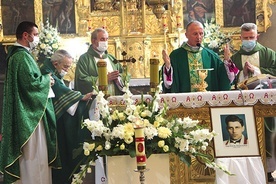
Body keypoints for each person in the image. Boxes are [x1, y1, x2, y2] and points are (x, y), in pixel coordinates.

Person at [0, 21, 59, 183]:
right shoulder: (20, 56)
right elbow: (30, 85)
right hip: (29, 118)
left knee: (36, 156)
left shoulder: (22, 55)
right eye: (36, 34)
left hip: (29, 112)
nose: (37, 38)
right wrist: (47, 80)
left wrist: (44, 79)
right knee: (34, 155)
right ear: (25, 35)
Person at [224, 22, 276, 182]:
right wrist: (242, 74)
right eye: (245, 38)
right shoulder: (235, 58)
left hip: (265, 106)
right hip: (243, 106)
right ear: (240, 38)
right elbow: (229, 80)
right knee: (245, 136)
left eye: (251, 37)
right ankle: (245, 172)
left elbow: (274, 72)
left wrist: (257, 71)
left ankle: (268, 171)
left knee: (267, 135)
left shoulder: (268, 54)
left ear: (257, 37)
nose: (248, 40)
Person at [40, 49, 94, 184]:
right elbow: (58, 88)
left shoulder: (53, 70)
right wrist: (80, 97)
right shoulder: (47, 71)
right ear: (56, 63)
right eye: (65, 66)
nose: (66, 70)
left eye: (69, 67)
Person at [162, 20, 231, 93]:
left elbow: (225, 78)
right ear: (186, 35)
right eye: (195, 34)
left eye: (201, 33)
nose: (199, 37)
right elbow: (168, 84)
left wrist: (227, 62)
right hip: (185, 100)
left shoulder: (211, 55)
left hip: (208, 100)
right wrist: (168, 67)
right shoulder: (176, 55)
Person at [74, 28, 124, 96]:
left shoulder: (112, 58)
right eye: (102, 39)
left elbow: (124, 74)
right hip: (95, 101)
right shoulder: (84, 59)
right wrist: (103, 79)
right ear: (93, 40)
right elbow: (81, 80)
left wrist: (118, 78)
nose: (105, 42)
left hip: (114, 99)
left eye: (107, 39)